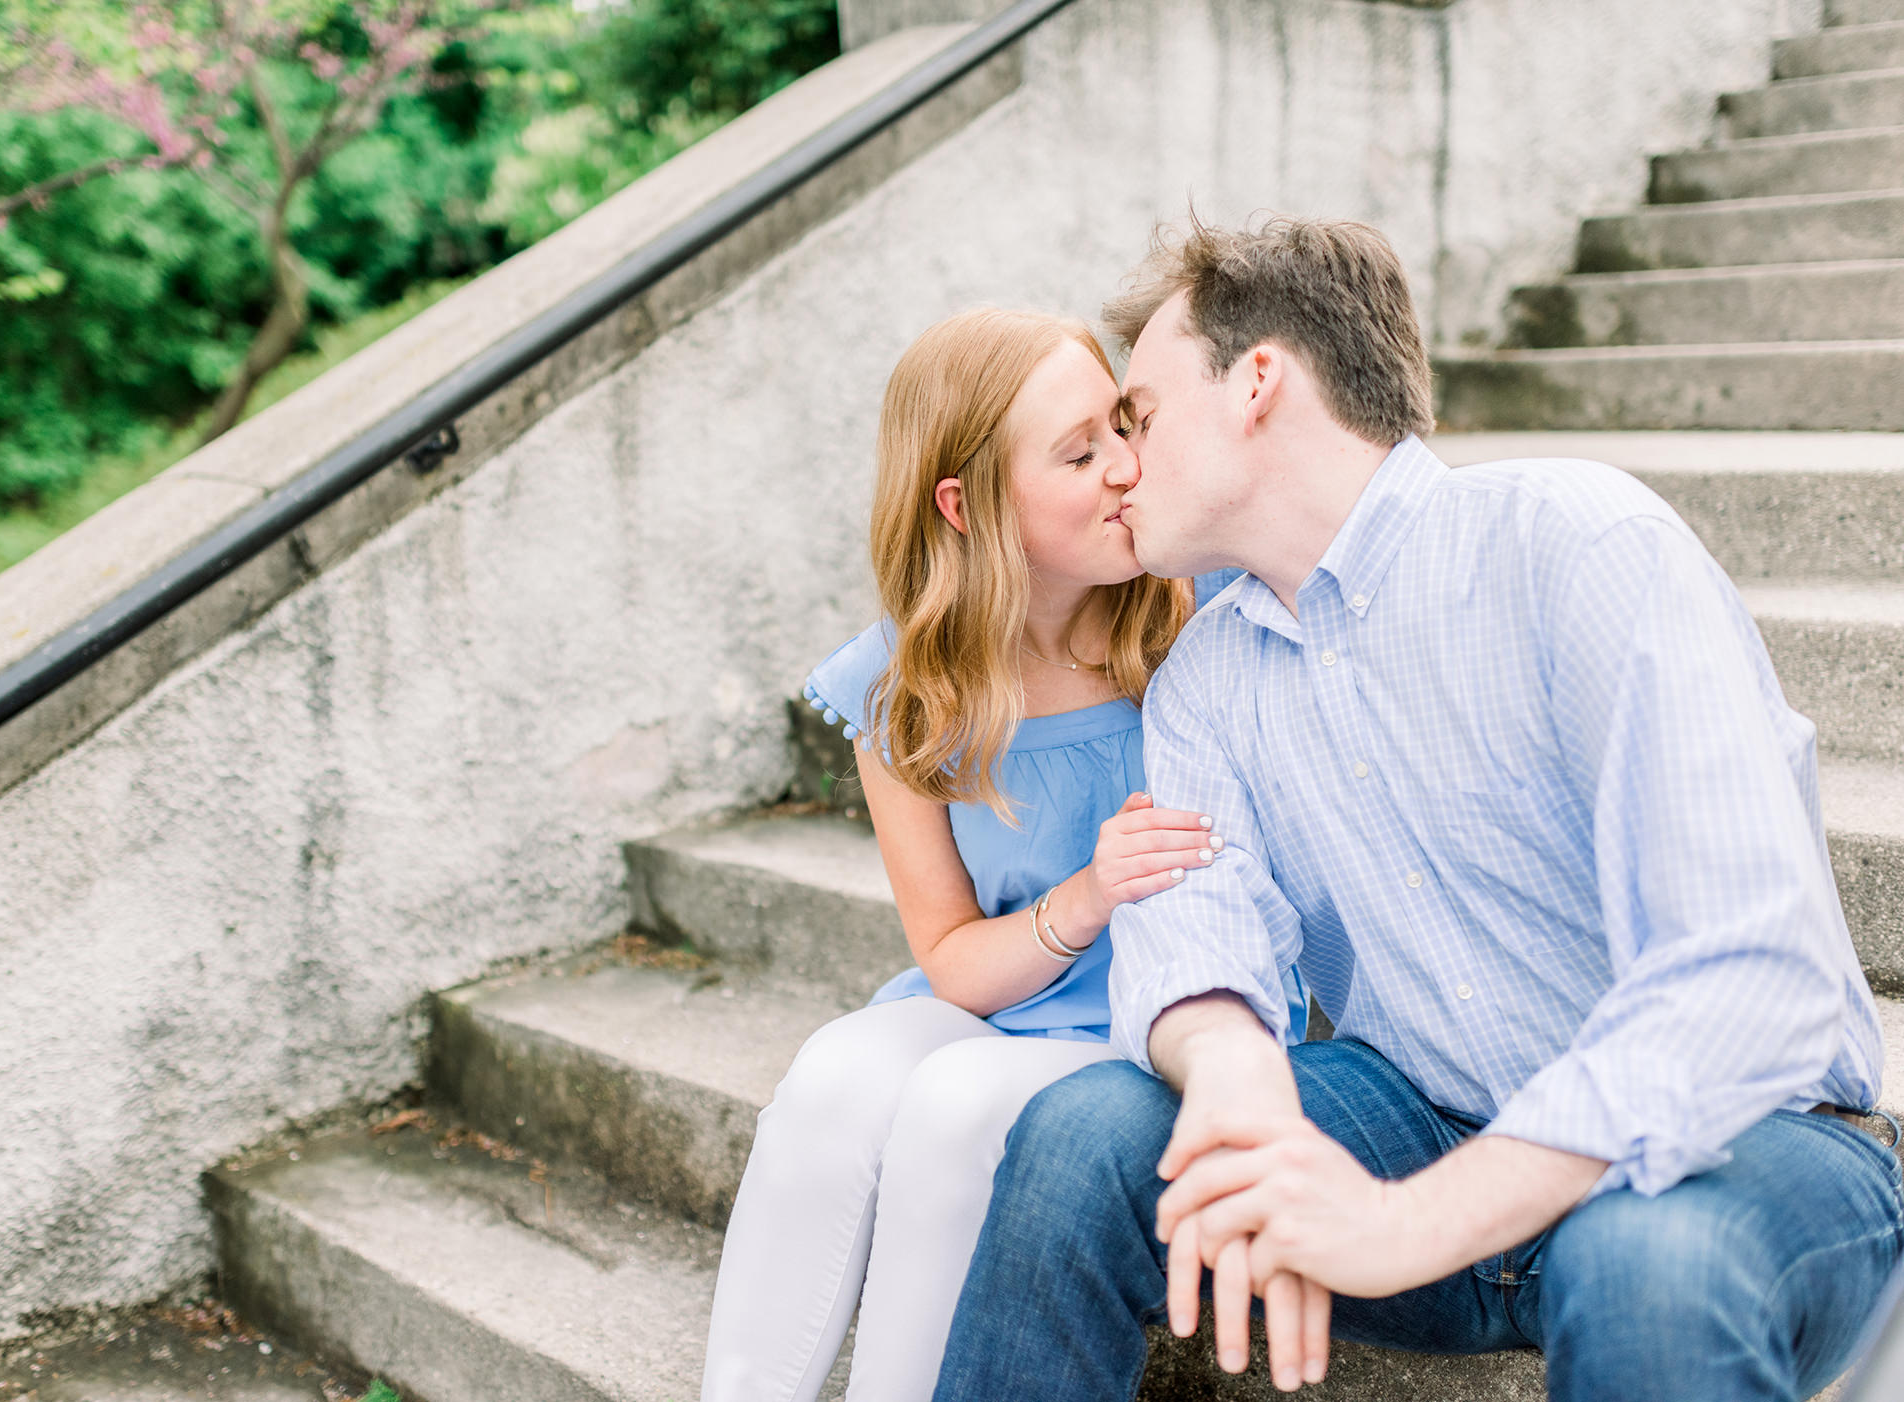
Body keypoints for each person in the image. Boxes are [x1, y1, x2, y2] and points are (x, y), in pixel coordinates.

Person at [933, 217, 1902, 1402]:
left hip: (1749, 1146)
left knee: (1642, 1256)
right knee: (1086, 1135)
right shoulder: (1204, 679)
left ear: (1257, 383)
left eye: (1136, 415)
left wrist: (1408, 1224)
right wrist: (1245, 1100)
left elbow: (1748, 975)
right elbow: (1196, 938)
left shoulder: (1579, 544)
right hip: (1425, 1119)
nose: (1121, 463)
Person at [698, 307, 1309, 1402]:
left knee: (956, 1102)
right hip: (1009, 995)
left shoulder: (1194, 606)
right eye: (1081, 452)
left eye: (1124, 424)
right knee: (836, 1070)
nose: (1129, 466)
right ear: (964, 504)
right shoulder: (906, 686)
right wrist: (1085, 895)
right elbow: (953, 960)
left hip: (1164, 1018)